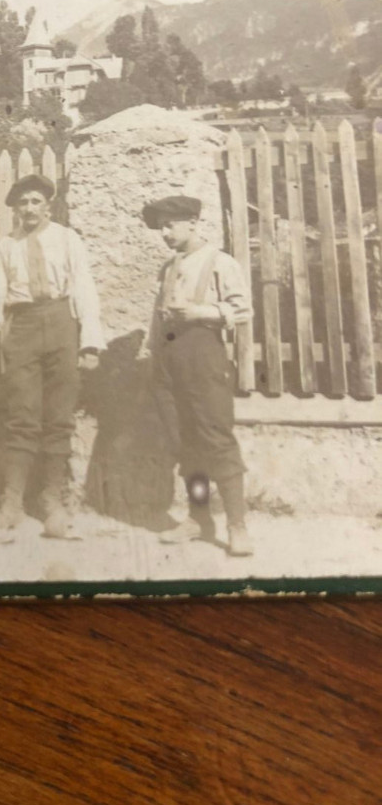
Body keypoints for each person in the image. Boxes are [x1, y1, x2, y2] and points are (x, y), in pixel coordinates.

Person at [0, 174, 103, 528]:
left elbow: (83, 287)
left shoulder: (66, 239)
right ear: (15, 209)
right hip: (23, 327)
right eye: (22, 203)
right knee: (21, 412)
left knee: (60, 415)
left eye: (35, 201)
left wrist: (89, 340)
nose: (29, 209)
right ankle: (12, 500)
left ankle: (51, 498)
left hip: (61, 322)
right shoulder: (7, 246)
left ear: (48, 204)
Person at [141, 195, 254, 557]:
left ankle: (237, 525)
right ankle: (199, 518)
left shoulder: (220, 263)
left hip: (204, 355)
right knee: (184, 441)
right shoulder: (168, 267)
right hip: (169, 359)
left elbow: (243, 309)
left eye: (170, 225)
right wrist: (149, 347)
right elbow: (158, 315)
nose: (164, 233)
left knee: (216, 437)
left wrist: (198, 312)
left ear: (192, 222)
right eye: (160, 226)